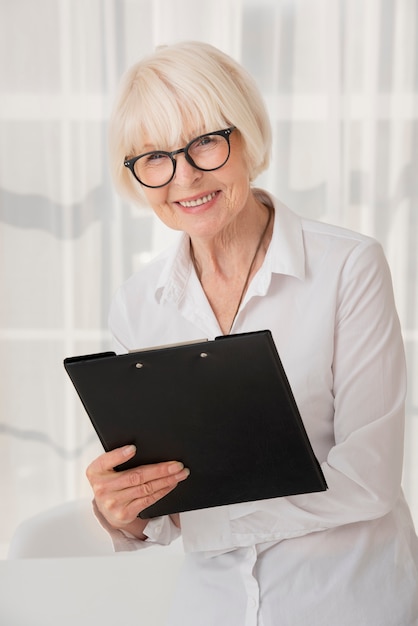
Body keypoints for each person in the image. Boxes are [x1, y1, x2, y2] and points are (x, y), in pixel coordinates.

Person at [86, 41, 418, 625]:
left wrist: (208, 520)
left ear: (248, 138)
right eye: (155, 157)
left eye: (206, 143)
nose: (184, 177)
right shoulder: (139, 304)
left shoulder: (348, 267)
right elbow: (165, 498)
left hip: (344, 603)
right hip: (212, 609)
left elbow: (368, 479)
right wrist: (126, 512)